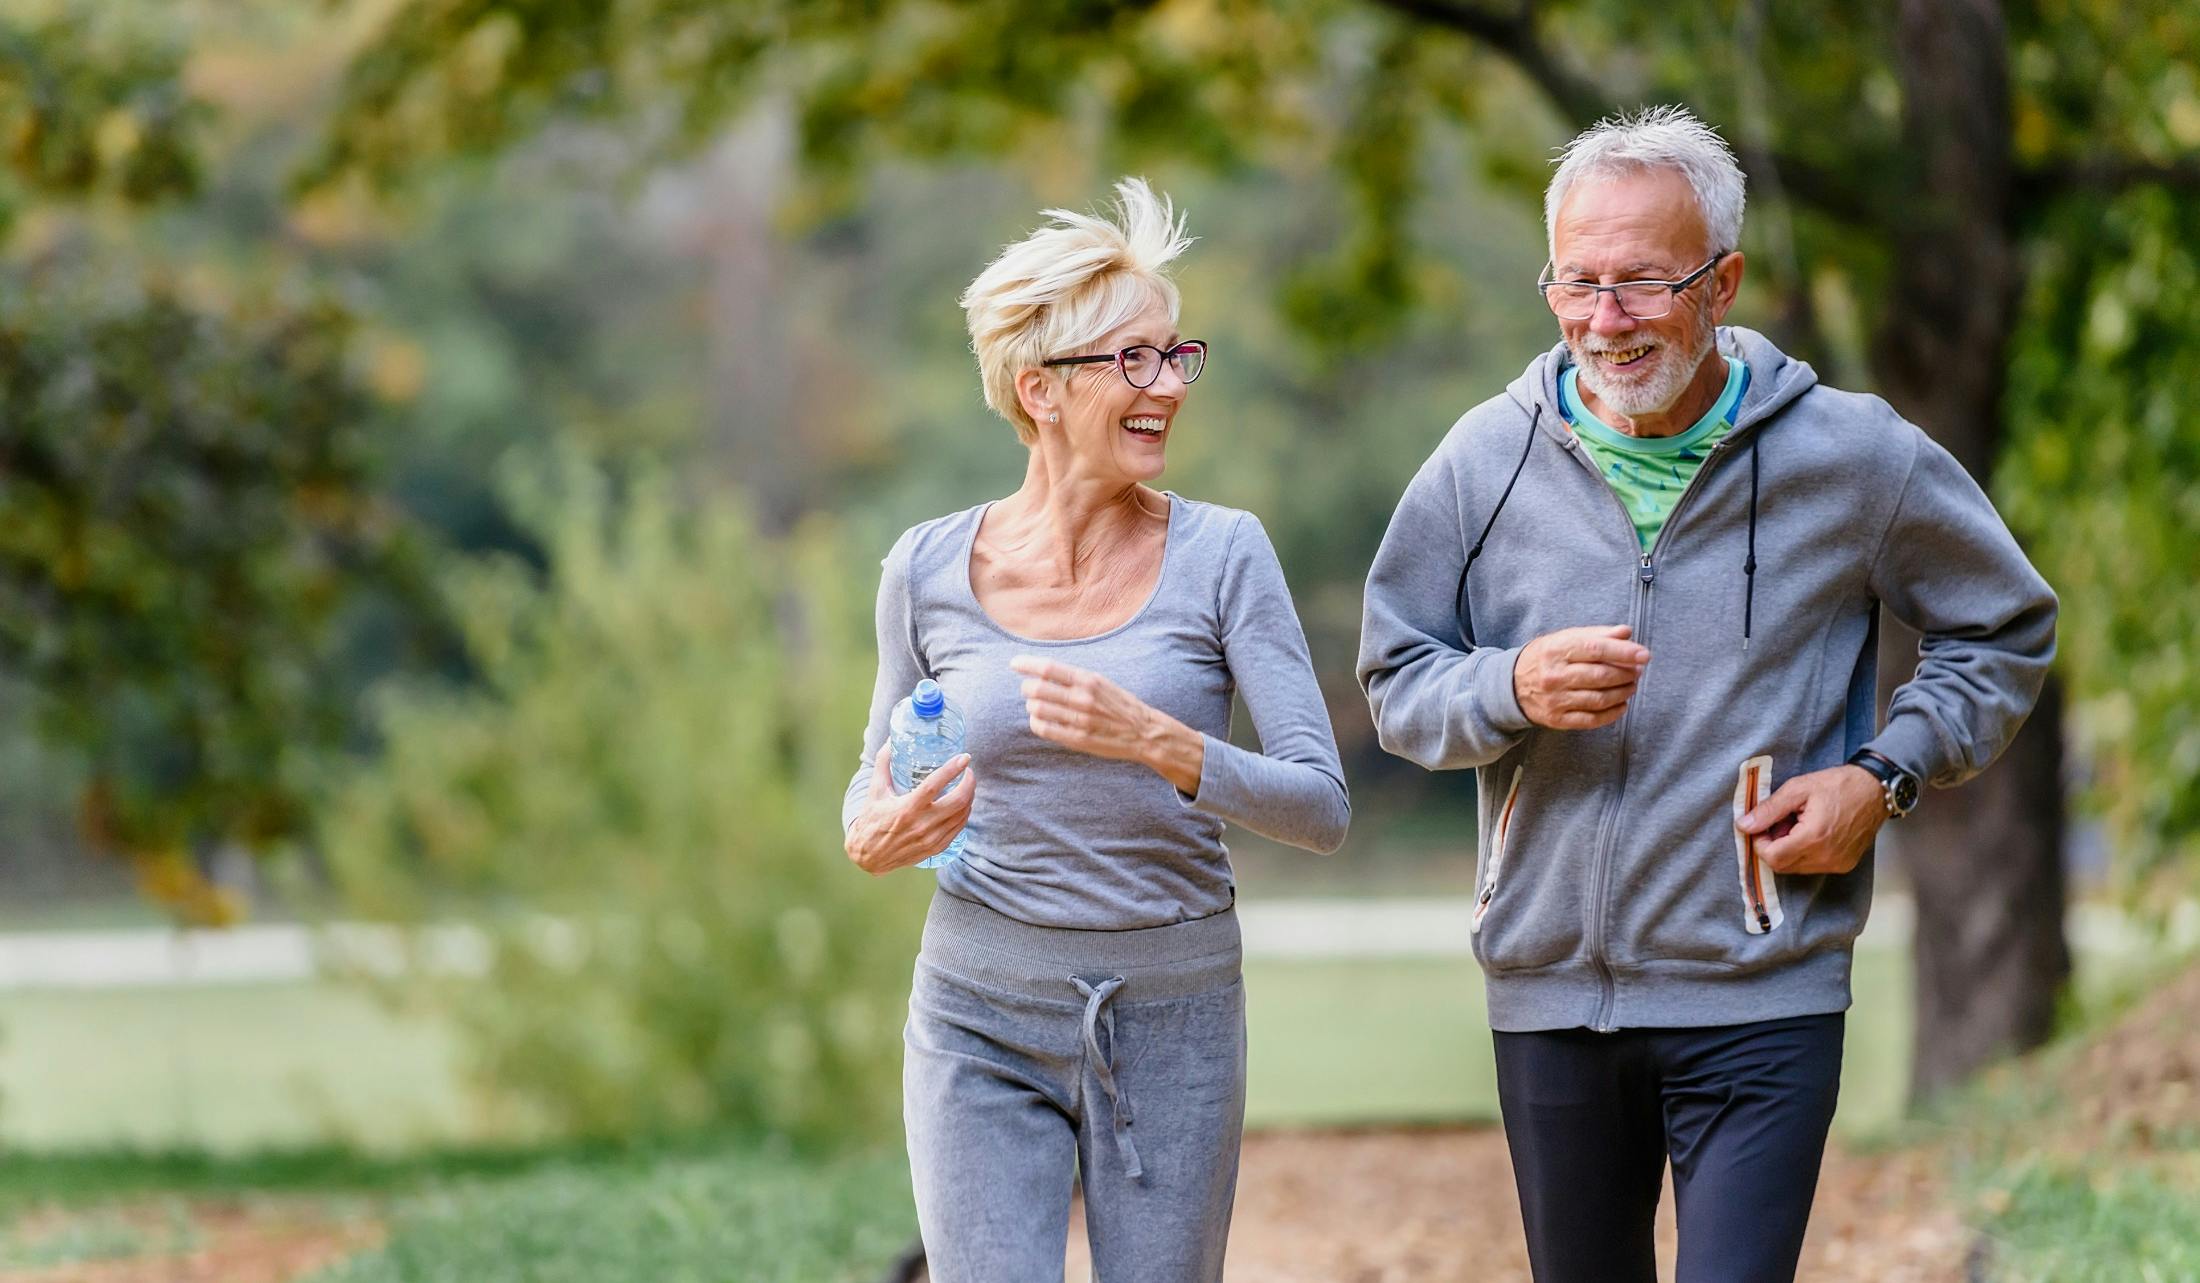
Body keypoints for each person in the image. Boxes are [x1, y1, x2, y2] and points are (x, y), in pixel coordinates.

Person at [1356, 105, 2056, 1283]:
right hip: (1549, 996)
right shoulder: (1484, 459)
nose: (1604, 320)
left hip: (1762, 985)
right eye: (1575, 282)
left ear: (1722, 280)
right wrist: (1507, 684)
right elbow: (1394, 675)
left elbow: (2004, 625)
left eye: (1640, 283)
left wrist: (1881, 775)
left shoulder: (1853, 456)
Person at [842, 176, 1350, 1283]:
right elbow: (870, 777)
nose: (1166, 383)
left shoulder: (1225, 553)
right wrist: (873, 830)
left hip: (1173, 1010)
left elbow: (1321, 805)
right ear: (1038, 389)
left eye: (1174, 354)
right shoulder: (925, 566)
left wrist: (1162, 744)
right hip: (975, 1005)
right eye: (1131, 359)